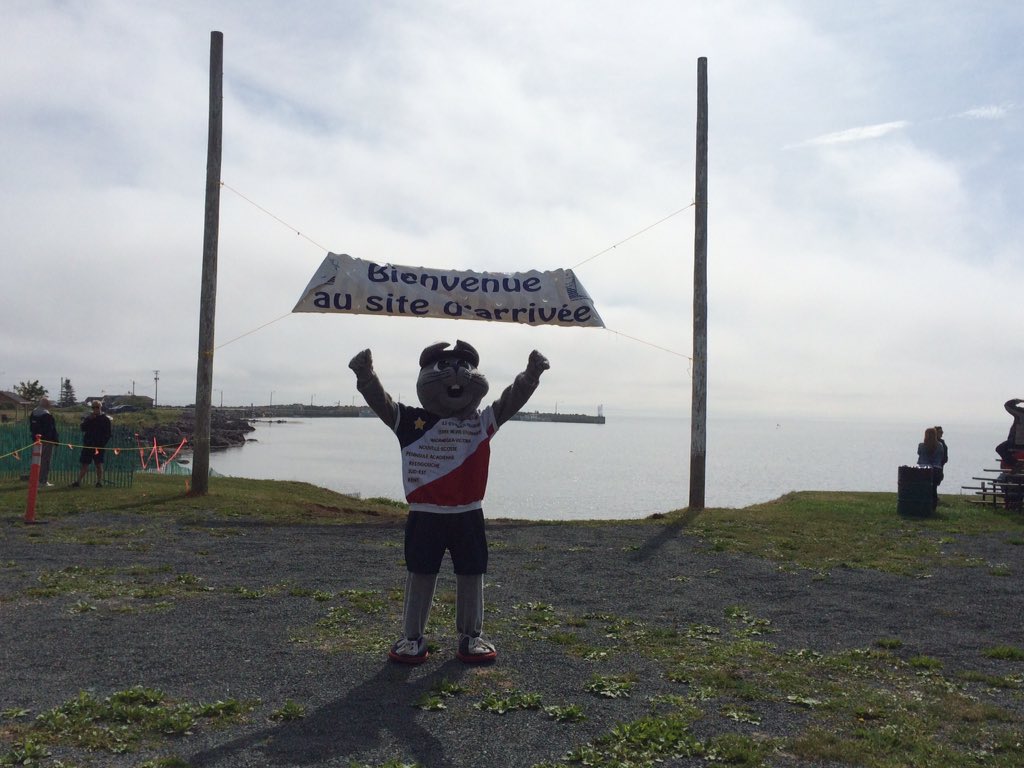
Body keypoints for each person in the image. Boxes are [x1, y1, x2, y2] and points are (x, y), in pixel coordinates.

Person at [350, 340, 548, 664]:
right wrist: (366, 376)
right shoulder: (411, 421)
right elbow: (382, 404)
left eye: (466, 368)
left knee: (472, 574)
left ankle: (471, 637)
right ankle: (412, 638)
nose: (459, 374)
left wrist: (530, 375)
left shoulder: (480, 422)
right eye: (442, 368)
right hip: (424, 514)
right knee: (420, 574)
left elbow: (509, 402)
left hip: (468, 513)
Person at [72, 401, 112, 488]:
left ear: (100, 408)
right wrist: (90, 419)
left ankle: (99, 482)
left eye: (97, 407)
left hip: (99, 445)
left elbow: (108, 434)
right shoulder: (89, 418)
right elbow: (82, 428)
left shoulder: (105, 419)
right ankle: (78, 482)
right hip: (88, 444)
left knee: (99, 464)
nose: (95, 409)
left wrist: (102, 443)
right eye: (93, 407)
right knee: (85, 464)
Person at [28, 397, 59, 487]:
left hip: (36, 440)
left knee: (36, 460)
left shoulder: (34, 413)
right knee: (45, 461)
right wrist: (55, 440)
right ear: (46, 405)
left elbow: (31, 427)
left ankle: (34, 480)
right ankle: (42, 481)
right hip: (47, 441)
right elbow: (50, 429)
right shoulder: (46, 415)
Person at [917, 427, 945, 509]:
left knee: (923, 488)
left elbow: (919, 453)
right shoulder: (940, 445)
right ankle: (933, 507)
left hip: (923, 469)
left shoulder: (921, 445)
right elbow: (942, 456)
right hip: (936, 469)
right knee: (933, 489)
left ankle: (923, 506)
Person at [995, 398, 1024, 466]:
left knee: (1000, 448)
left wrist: (1020, 400)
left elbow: (1008, 405)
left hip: (1017, 442)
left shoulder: (1021, 413)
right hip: (1018, 442)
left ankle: (1015, 464)